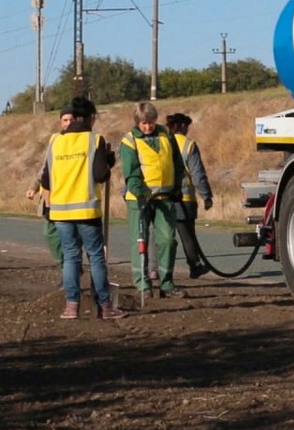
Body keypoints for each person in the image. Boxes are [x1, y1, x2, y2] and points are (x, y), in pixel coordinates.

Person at [40, 96, 126, 320]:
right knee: (96, 258)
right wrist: (108, 161)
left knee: (70, 258)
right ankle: (105, 306)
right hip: (86, 210)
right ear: (89, 118)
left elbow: (46, 180)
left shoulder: (55, 142)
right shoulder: (93, 140)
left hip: (60, 211)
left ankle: (71, 306)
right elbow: (101, 175)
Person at [121, 101, 186, 299]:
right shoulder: (129, 141)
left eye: (150, 122)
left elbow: (177, 163)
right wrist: (141, 194)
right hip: (139, 200)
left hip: (165, 198)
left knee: (167, 240)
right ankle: (142, 284)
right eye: (143, 123)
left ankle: (166, 283)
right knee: (140, 241)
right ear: (137, 123)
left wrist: (177, 188)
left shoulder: (166, 135)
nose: (147, 127)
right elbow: (131, 173)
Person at [166, 113, 214, 279]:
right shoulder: (189, 145)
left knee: (163, 235)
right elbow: (197, 173)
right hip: (185, 198)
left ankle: (154, 269)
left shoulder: (161, 142)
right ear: (182, 126)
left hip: (163, 197)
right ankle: (194, 265)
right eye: (187, 126)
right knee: (187, 234)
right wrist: (206, 196)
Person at [26, 105, 75, 268]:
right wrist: (34, 185)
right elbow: (46, 166)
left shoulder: (82, 140)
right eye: (65, 120)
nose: (68, 123)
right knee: (50, 233)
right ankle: (65, 264)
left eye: (71, 120)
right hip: (51, 195)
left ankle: (70, 268)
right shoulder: (55, 139)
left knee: (71, 236)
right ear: (60, 122)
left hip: (71, 196)